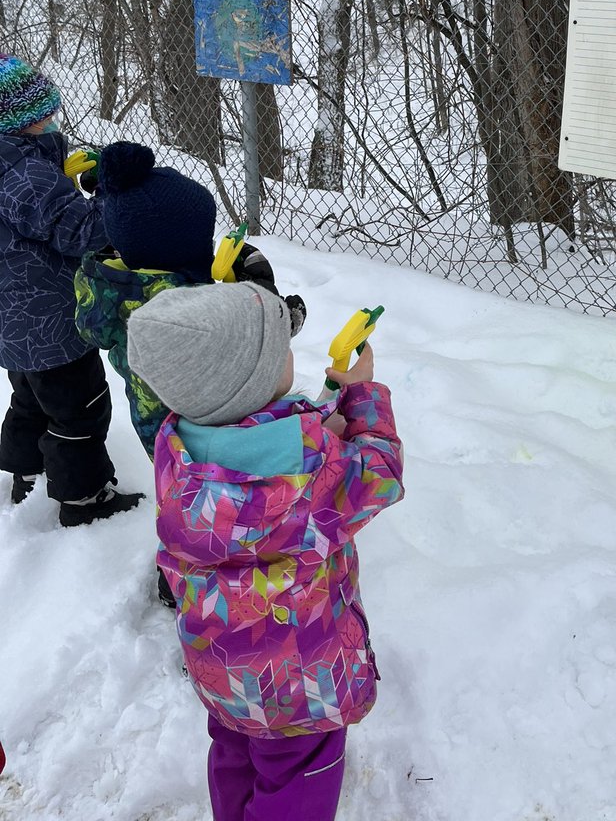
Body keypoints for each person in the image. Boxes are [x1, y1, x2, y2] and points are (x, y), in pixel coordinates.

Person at [127, 282, 403, 821]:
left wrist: (324, 409)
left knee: (234, 755)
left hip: (221, 667)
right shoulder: (315, 473)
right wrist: (363, 395)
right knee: (299, 780)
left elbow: (264, 444)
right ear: (247, 386)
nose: (291, 355)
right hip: (299, 687)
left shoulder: (175, 446)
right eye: (280, 352)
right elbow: (382, 475)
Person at [74, 140, 304, 605]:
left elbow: (92, 330)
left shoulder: (104, 282)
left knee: (178, 496)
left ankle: (173, 571)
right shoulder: (188, 300)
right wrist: (261, 287)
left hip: (151, 422)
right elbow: (259, 337)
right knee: (219, 501)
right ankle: (224, 572)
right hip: (208, 418)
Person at [0, 54, 142, 525]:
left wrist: (59, 167)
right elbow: (83, 232)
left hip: (13, 325)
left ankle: (26, 471)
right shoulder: (25, 177)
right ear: (18, 122)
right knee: (81, 407)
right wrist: (107, 192)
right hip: (51, 322)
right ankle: (84, 498)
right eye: (43, 112)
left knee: (29, 397)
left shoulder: (22, 164)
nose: (52, 117)